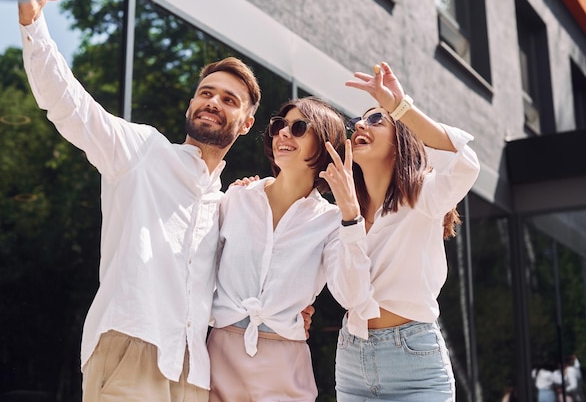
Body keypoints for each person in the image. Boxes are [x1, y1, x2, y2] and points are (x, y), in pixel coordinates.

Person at [17, 0, 265, 402]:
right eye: (206, 92)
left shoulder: (226, 203)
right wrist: (33, 25)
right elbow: (69, 105)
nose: (212, 102)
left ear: (246, 123)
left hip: (193, 373)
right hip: (130, 345)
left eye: (228, 99)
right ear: (191, 103)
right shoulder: (142, 150)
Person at [322, 62, 480, 401]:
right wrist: (350, 218)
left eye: (377, 118)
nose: (361, 124)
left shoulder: (423, 196)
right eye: (357, 122)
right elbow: (349, 297)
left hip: (416, 364)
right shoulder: (341, 214)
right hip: (353, 361)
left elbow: (465, 162)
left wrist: (400, 106)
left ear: (399, 143)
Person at [206, 96, 380, 401]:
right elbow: (200, 271)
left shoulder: (333, 222)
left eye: (299, 127)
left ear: (325, 143)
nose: (283, 134)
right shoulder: (235, 199)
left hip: (284, 368)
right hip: (219, 358)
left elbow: (353, 297)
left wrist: (352, 215)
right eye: (278, 126)